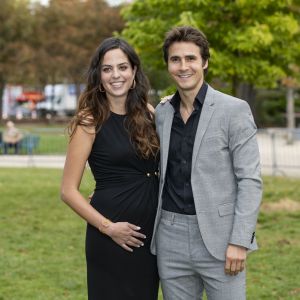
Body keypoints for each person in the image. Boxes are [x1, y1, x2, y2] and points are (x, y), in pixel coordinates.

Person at [150, 26, 262, 300]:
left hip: (221, 239)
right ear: (168, 65)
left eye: (191, 58)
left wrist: (239, 241)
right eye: (175, 59)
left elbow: (250, 180)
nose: (183, 66)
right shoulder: (162, 113)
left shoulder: (234, 110)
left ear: (205, 62)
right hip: (170, 236)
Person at [60, 37, 160, 300]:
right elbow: (68, 191)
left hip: (150, 235)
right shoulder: (89, 121)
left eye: (122, 67)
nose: (116, 75)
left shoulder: (149, 114)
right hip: (111, 233)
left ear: (134, 72)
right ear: (99, 76)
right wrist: (108, 228)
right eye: (107, 69)